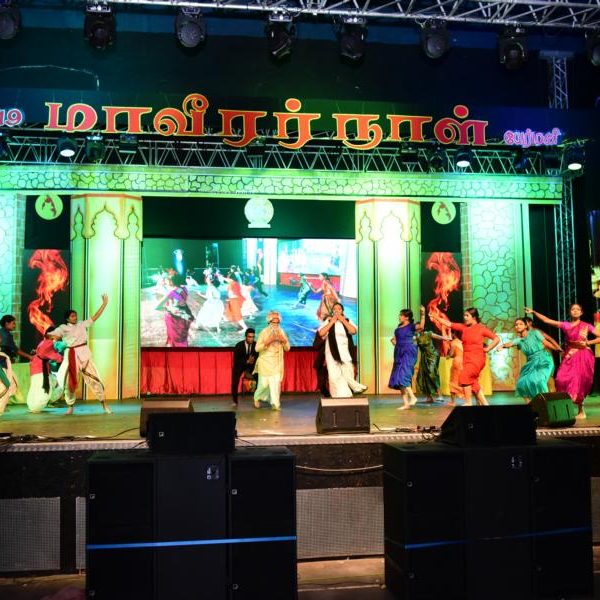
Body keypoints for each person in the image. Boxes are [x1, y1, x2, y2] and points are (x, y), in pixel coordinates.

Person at [525, 304, 600, 418]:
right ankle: (566, 408)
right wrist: (534, 312)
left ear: (581, 313)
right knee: (561, 379)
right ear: (570, 312)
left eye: (578, 309)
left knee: (578, 381)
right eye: (573, 309)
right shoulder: (566, 325)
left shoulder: (586, 326)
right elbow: (547, 321)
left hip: (583, 355)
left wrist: (588, 342)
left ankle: (581, 410)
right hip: (570, 354)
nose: (575, 311)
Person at [431, 307, 500, 406]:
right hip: (466, 358)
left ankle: (468, 402)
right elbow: (449, 324)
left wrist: (488, 348)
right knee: (474, 383)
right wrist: (436, 317)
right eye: (464, 315)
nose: (465, 317)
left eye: (467, 315)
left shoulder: (481, 329)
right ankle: (485, 404)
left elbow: (496, 339)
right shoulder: (464, 328)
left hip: (477, 358)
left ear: (474, 317)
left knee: (464, 376)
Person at [55, 295, 111, 415]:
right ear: (67, 318)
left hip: (84, 354)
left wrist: (104, 304)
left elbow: (95, 317)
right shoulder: (63, 328)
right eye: (72, 316)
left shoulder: (82, 324)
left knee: (94, 378)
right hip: (71, 355)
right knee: (69, 382)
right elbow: (54, 334)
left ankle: (104, 404)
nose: (75, 317)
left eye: (75, 315)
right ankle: (70, 406)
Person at [497, 317, 555, 403]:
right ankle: (530, 405)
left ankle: (545, 403)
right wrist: (502, 346)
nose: (518, 326)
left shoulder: (535, 333)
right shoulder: (519, 340)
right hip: (531, 362)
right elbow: (510, 343)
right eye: (516, 325)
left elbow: (547, 342)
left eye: (520, 324)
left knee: (540, 381)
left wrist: (557, 348)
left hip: (543, 359)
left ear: (526, 325)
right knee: (521, 383)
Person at [317, 302, 367, 398]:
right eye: (334, 309)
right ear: (332, 311)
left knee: (347, 373)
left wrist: (343, 320)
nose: (336, 310)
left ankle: (347, 394)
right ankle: (337, 396)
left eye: (339, 309)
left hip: (345, 351)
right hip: (331, 352)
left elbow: (353, 331)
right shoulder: (328, 321)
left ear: (342, 311)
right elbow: (321, 333)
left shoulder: (347, 320)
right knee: (333, 375)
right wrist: (332, 322)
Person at [389, 306, 425, 410]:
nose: (399, 317)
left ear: (407, 317)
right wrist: (397, 345)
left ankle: (411, 399)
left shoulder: (411, 326)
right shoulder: (397, 329)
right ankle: (407, 403)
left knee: (403, 376)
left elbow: (421, 326)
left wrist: (423, 314)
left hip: (408, 352)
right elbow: (394, 340)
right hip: (399, 353)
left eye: (401, 315)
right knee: (399, 377)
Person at [253, 311, 290, 410]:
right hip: (265, 362)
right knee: (263, 384)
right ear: (269, 322)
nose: (276, 324)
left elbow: (287, 348)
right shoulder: (264, 332)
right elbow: (257, 348)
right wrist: (268, 341)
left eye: (277, 322)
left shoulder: (281, 332)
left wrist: (284, 340)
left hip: (277, 363)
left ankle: (275, 404)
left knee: (276, 384)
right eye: (274, 322)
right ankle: (257, 397)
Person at [26, 326, 64, 413]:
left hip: (37, 366)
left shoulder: (44, 342)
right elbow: (57, 357)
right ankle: (36, 407)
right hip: (40, 368)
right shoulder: (49, 344)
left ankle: (33, 406)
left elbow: (45, 354)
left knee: (37, 387)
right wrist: (64, 358)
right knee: (43, 389)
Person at [0, 315, 33, 413]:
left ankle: (3, 404)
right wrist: (29, 356)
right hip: (2, 365)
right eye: (13, 323)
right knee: (9, 384)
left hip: (4, 364)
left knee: (10, 384)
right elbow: (15, 349)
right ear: (7, 323)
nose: (15, 325)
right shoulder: (4, 335)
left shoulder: (5, 334)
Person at [157, 273, 194, 347]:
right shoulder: (184, 289)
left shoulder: (171, 292)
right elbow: (180, 299)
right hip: (184, 315)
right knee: (181, 335)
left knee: (175, 336)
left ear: (171, 282)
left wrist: (168, 308)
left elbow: (157, 307)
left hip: (174, 317)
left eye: (167, 280)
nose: (165, 281)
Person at [415, 330, 450, 403]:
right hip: (424, 357)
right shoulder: (416, 337)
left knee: (432, 373)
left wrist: (446, 338)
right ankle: (429, 397)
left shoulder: (428, 334)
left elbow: (439, 337)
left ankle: (440, 395)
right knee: (424, 375)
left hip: (433, 356)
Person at [231, 328, 259, 407]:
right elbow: (236, 360)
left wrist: (252, 361)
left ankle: (256, 398)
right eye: (249, 337)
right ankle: (235, 401)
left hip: (251, 366)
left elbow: (257, 357)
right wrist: (247, 361)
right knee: (234, 382)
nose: (251, 339)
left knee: (259, 378)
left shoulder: (256, 345)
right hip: (239, 365)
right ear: (245, 337)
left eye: (253, 337)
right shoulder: (239, 345)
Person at [447, 332, 465, 406]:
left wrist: (448, 355)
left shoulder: (454, 342)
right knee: (463, 381)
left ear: (454, 334)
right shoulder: (462, 342)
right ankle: (467, 400)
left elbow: (451, 354)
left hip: (457, 361)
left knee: (453, 381)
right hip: (463, 361)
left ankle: (453, 402)